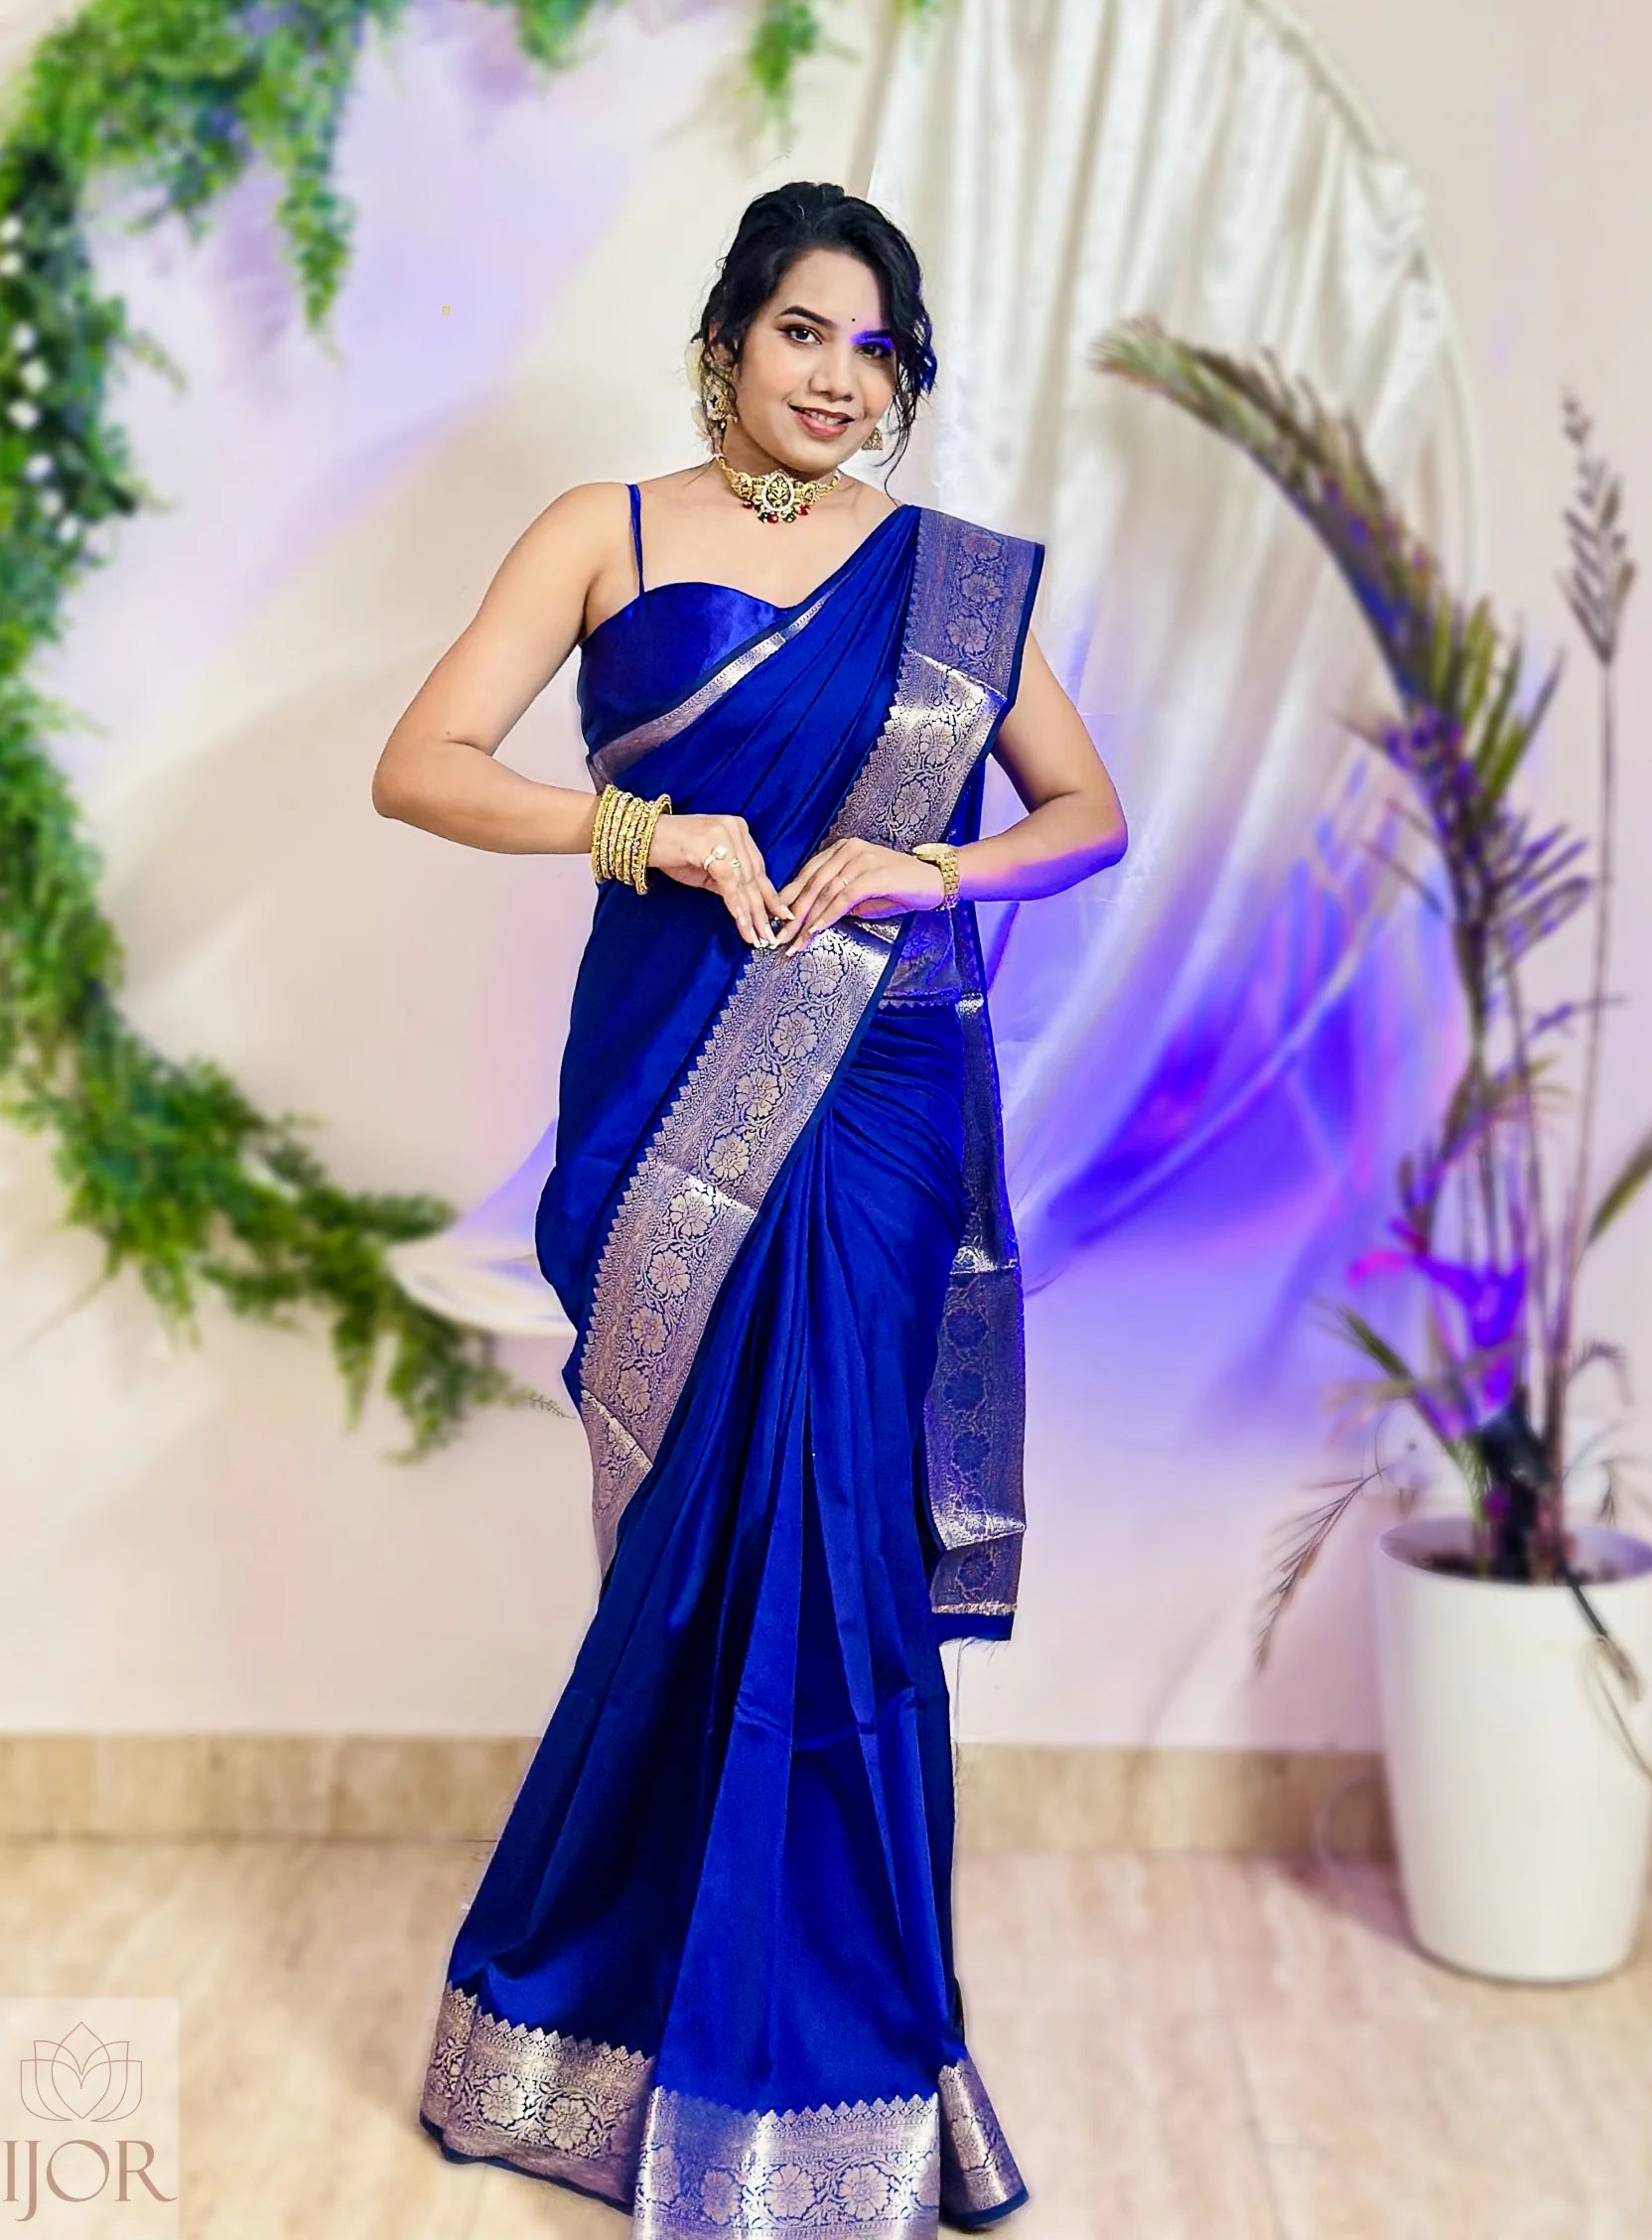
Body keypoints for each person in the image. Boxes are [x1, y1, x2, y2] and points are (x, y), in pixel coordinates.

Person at [372, 180, 1127, 2237]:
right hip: (665, 1078)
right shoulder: (600, 533)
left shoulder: (951, 581)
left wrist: (931, 875)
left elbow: (1087, 811)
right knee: (690, 1563)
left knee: (836, 1554)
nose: (837, 376)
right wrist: (641, 825)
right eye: (805, 330)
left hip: (871, 1096)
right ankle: (596, 2034)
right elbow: (421, 761)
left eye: (876, 346)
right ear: (727, 341)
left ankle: (849, 2071)